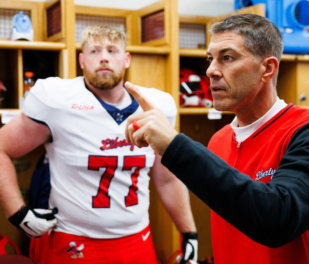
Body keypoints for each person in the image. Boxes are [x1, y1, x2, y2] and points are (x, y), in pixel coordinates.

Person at [124, 14, 309, 263]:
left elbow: (279, 218)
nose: (211, 70)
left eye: (227, 58)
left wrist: (175, 147)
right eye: (210, 59)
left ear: (267, 69)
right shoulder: (219, 140)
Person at [0, 25, 197, 264]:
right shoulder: (57, 100)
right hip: (74, 240)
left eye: (112, 50)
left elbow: (167, 178)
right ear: (81, 60)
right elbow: (2, 148)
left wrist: (189, 233)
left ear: (126, 59)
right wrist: (17, 213)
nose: (104, 57)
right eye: (94, 51)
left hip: (138, 238)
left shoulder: (156, 105)